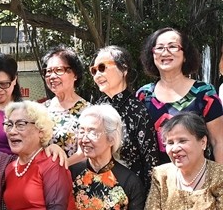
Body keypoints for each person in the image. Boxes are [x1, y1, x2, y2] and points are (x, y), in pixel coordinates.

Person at [137, 27, 223, 163]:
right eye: (159, 48)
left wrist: (220, 179)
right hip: (156, 179)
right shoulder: (144, 95)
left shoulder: (204, 93)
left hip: (199, 178)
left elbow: (219, 141)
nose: (165, 52)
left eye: (173, 46)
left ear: (185, 55)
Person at [90, 45, 161, 191]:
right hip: (99, 189)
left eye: (102, 67)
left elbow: (150, 161)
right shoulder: (95, 109)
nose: (97, 75)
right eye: (94, 70)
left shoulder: (137, 110)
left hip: (131, 192)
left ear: (124, 69)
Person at [42, 45, 89, 165]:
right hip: (43, 177)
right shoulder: (41, 110)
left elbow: (85, 152)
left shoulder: (88, 111)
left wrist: (59, 168)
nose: (52, 76)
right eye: (48, 71)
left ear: (75, 74)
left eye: (58, 70)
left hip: (76, 177)